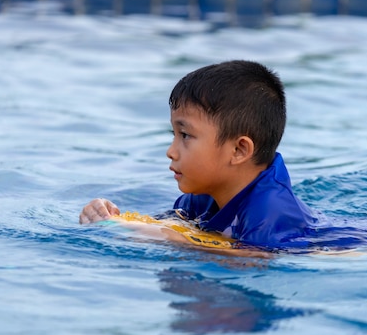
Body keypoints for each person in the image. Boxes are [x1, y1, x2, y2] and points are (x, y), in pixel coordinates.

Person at [79, 60, 319, 250]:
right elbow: (171, 224)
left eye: (185, 135)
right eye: (174, 134)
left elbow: (252, 258)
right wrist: (114, 218)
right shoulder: (205, 193)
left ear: (238, 150)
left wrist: (166, 237)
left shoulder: (271, 212)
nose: (171, 151)